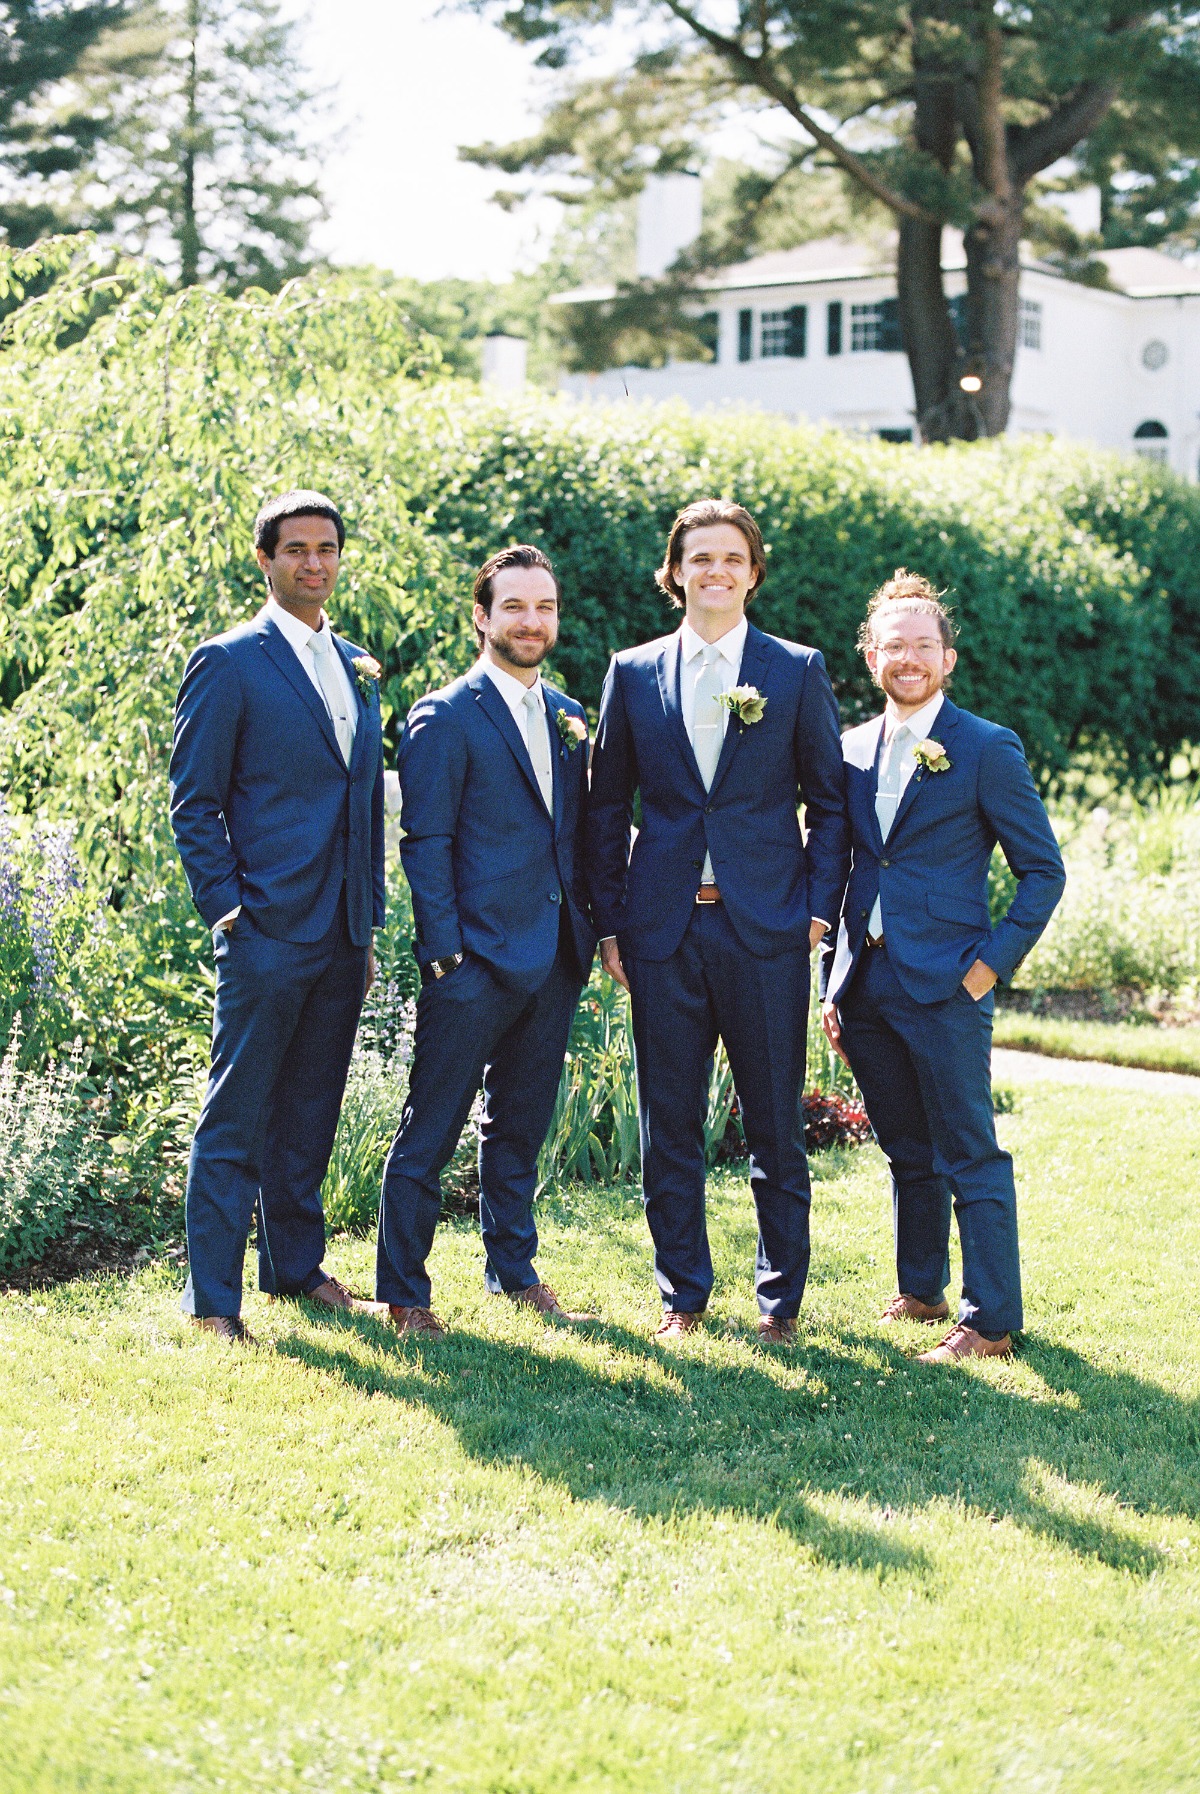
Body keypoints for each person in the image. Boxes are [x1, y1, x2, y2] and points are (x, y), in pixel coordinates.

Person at [587, 498, 848, 1345]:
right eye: (700, 558)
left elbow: (830, 805)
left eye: (732, 558)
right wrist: (611, 923)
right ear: (675, 572)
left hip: (767, 932)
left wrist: (815, 913)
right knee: (671, 1128)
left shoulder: (795, 671)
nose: (716, 572)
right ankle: (682, 1298)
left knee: (776, 1127)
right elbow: (603, 806)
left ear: (753, 571)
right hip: (662, 934)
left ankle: (780, 1306)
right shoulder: (631, 673)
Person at [821, 570, 1065, 1363]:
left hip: (951, 981)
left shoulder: (986, 747)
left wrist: (988, 967)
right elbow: (850, 865)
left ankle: (990, 1320)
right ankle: (921, 1288)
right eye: (894, 645)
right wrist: (833, 979)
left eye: (924, 644)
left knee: (970, 1151)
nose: (909, 658)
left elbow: (1043, 872)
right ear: (870, 657)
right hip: (867, 981)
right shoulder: (850, 749)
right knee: (904, 1148)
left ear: (948, 658)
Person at [169, 490, 386, 1344]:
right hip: (262, 930)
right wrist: (229, 913)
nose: (313, 563)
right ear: (265, 560)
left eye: (326, 548)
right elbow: (194, 803)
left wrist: (363, 926)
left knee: (311, 1112)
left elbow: (359, 801)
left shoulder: (358, 662)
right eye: (295, 549)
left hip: (340, 932)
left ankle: (295, 1269)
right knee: (238, 1116)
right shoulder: (229, 661)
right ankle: (214, 1301)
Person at [375, 545, 595, 1338]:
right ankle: (404, 1291)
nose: (531, 621)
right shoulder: (445, 715)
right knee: (429, 1131)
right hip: (472, 962)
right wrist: (445, 954)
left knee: (520, 1127)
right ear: (482, 616)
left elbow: (570, 837)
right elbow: (423, 841)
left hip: (554, 954)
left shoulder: (569, 714)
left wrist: (589, 931)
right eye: (514, 607)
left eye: (543, 607)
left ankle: (514, 1269)